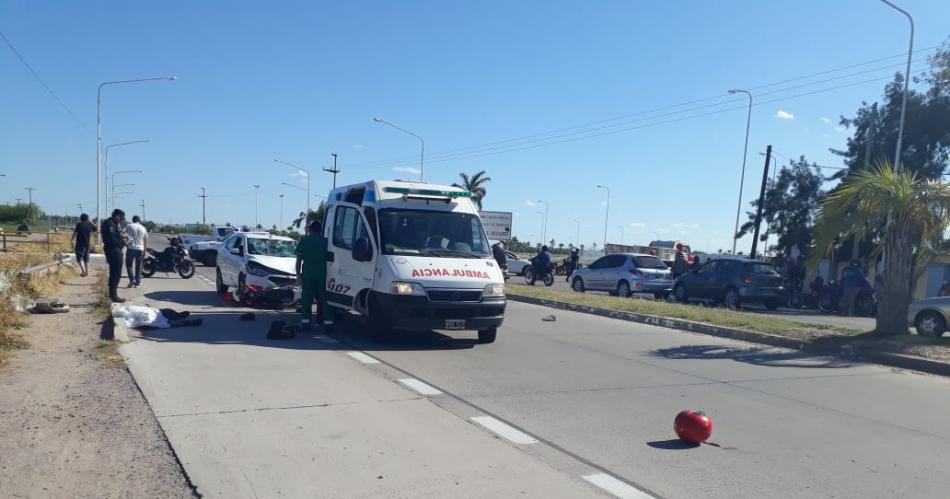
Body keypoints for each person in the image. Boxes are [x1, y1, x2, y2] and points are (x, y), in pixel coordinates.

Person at [295, 220, 332, 333]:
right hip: (324, 276)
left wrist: (298, 275)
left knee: (307, 300)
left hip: (308, 276)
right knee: (325, 300)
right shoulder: (326, 242)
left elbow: (299, 261)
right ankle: (328, 324)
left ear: (310, 230)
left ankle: (306, 324)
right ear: (321, 231)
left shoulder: (304, 241)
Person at [101, 209, 127, 303]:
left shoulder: (112, 224)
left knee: (114, 273)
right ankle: (113, 295)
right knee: (116, 273)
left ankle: (111, 293)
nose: (121, 220)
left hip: (114, 250)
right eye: (121, 218)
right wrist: (123, 241)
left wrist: (122, 239)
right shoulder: (110, 224)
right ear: (117, 216)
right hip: (113, 251)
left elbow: (116, 237)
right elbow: (112, 240)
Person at [124, 215, 148, 288]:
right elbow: (145, 240)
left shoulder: (129, 226)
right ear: (139, 221)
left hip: (131, 248)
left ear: (132, 220)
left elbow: (123, 234)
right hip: (140, 249)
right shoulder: (143, 228)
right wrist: (145, 250)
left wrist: (126, 241)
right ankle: (137, 282)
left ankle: (132, 279)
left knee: (129, 265)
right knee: (139, 266)